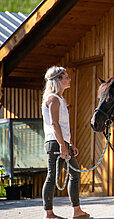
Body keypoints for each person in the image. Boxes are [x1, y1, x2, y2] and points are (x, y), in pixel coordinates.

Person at [41, 66, 90, 219]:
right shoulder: (53, 99)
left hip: (62, 143)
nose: (69, 79)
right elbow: (54, 124)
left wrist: (70, 144)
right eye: (66, 77)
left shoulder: (60, 99)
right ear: (57, 80)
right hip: (55, 144)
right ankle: (48, 214)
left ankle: (77, 211)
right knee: (52, 177)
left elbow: (61, 126)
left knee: (75, 174)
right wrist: (63, 145)